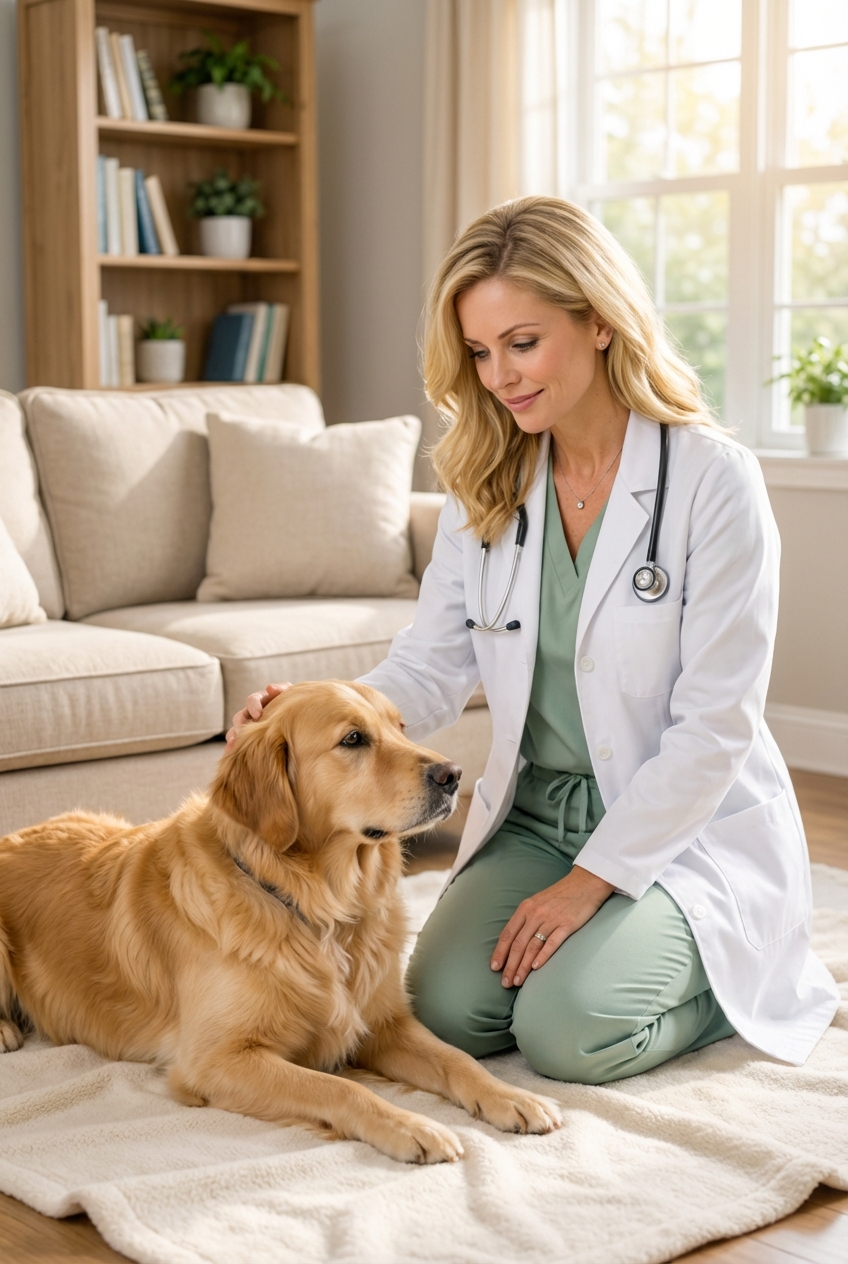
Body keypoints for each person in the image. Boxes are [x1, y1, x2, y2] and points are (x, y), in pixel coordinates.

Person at [229, 197, 838, 1083]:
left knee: (568, 1032)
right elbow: (429, 667)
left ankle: (745, 974)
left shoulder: (712, 481)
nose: (500, 376)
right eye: (479, 352)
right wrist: (308, 711)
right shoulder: (488, 483)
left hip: (676, 825)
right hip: (534, 817)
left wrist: (590, 885)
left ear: (597, 322)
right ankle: (604, 956)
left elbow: (716, 728)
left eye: (522, 343)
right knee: (447, 1010)